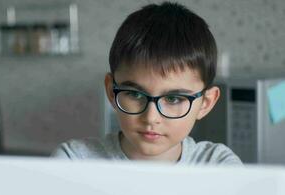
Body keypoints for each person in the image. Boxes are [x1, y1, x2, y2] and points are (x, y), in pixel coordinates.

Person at [51, 1, 242, 165]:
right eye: (135, 94)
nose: (151, 118)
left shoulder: (219, 166)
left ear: (206, 103)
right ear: (111, 91)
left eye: (174, 99)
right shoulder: (73, 161)